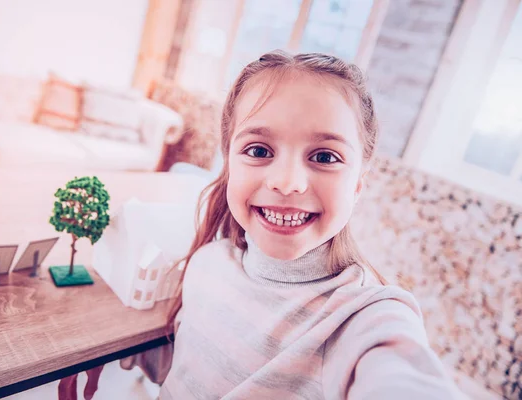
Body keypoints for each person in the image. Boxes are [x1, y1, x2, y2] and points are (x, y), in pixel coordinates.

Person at [119, 50, 465, 399]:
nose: (287, 183)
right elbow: (188, 369)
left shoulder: (362, 320)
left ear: (359, 183)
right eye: (258, 151)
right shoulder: (207, 262)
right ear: (229, 163)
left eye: (325, 157)